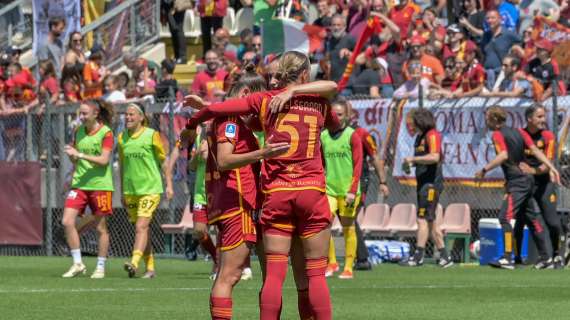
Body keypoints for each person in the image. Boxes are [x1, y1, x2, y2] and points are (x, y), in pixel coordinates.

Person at [183, 51, 339, 320]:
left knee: (274, 276)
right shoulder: (320, 103)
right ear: (305, 74)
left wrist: (194, 121)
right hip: (311, 191)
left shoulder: (264, 101)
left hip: (277, 195)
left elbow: (217, 110)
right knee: (314, 274)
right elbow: (334, 110)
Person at [206, 70, 290, 320]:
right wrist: (262, 154)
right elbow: (224, 160)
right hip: (237, 204)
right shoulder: (230, 120)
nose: (258, 108)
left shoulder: (230, 119)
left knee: (266, 274)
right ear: (244, 94)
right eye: (256, 101)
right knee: (230, 274)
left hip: (240, 203)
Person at [474, 105, 560, 269]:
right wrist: (552, 166)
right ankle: (546, 259)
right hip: (527, 180)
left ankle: (507, 258)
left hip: (517, 182)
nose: (486, 122)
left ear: (494, 119)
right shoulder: (520, 132)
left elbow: (504, 155)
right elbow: (535, 150)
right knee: (532, 219)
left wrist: (484, 170)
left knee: (505, 218)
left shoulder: (498, 134)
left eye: (487, 118)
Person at [61, 100, 114, 279]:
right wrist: (72, 156)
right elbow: (77, 160)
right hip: (80, 183)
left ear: (95, 114)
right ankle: (77, 263)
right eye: (80, 114)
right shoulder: (79, 131)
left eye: (84, 114)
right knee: (67, 222)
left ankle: (100, 267)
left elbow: (104, 160)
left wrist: (80, 155)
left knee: (101, 228)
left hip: (100, 185)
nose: (81, 117)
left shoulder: (106, 133)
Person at [119, 103, 168, 278]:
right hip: (131, 191)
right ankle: (150, 268)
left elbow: (164, 161)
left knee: (141, 226)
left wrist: (168, 184)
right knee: (142, 229)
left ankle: (134, 262)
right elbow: (123, 166)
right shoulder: (122, 138)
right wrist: (123, 191)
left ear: (141, 117)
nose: (128, 117)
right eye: (126, 114)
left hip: (151, 189)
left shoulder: (152, 135)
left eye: (132, 114)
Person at [401, 108, 453, 268]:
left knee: (422, 219)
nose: (411, 126)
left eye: (413, 122)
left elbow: (435, 156)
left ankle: (418, 256)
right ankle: (445, 256)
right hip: (422, 183)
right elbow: (422, 159)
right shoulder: (419, 137)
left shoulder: (432, 135)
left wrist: (413, 158)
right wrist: (410, 164)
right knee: (432, 222)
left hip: (431, 184)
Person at [515, 105, 565, 268]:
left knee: (552, 222)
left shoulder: (548, 136)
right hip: (524, 184)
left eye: (544, 116)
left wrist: (532, 170)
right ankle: (516, 258)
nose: (543, 120)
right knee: (520, 221)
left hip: (544, 183)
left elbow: (547, 165)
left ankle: (557, 255)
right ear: (529, 118)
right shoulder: (520, 135)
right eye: (540, 117)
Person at [322, 99, 363, 279]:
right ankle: (331, 263)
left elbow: (358, 165)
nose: (336, 118)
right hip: (329, 189)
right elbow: (321, 163)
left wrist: (352, 190)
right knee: (323, 226)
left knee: (348, 227)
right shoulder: (323, 136)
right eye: (333, 114)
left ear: (346, 116)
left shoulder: (352, 135)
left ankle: (348, 267)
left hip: (348, 191)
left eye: (340, 114)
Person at [350, 105, 389, 270]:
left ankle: (362, 258)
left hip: (360, 180)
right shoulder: (330, 133)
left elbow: (375, 157)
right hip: (337, 181)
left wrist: (383, 182)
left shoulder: (362, 134)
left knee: (350, 216)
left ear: (352, 115)